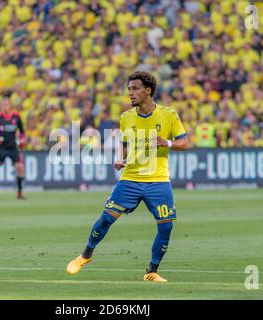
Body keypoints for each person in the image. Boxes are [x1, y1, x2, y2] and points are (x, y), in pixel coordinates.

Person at [66, 71, 190, 282]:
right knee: (106, 218)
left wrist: (167, 143)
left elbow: (184, 143)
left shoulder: (169, 115)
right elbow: (125, 143)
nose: (130, 94)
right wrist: (121, 158)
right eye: (129, 89)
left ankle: (152, 271)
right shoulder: (126, 117)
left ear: (148, 90)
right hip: (130, 178)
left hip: (158, 180)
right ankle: (86, 255)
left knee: (166, 226)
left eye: (135, 89)